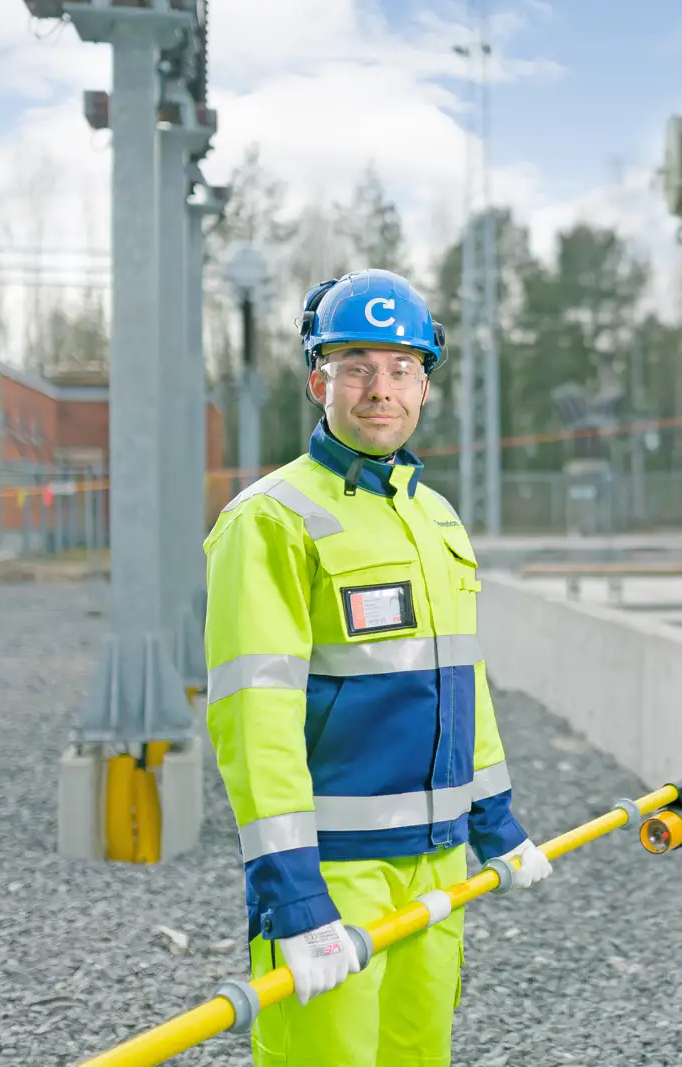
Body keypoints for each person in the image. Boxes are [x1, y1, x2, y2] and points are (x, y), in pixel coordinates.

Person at [202, 268, 552, 1067]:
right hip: (334, 872)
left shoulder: (435, 516)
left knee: (418, 1055)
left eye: (401, 368)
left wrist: (496, 824)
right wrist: (294, 897)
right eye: (357, 365)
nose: (379, 388)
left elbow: (464, 684)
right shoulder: (271, 519)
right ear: (317, 379)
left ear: (425, 384)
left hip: (437, 864)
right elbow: (255, 723)